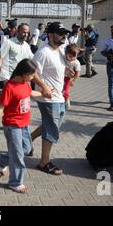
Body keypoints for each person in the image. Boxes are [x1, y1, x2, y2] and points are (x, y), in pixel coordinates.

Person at [0, 59, 42, 194]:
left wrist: (43, 92)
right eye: (31, 75)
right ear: (23, 73)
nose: (33, 77)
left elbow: (30, 93)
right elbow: (0, 107)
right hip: (12, 126)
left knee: (27, 148)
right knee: (18, 156)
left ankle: (2, 159)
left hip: (24, 125)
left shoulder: (26, 83)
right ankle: (15, 183)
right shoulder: (10, 87)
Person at [30, 22, 69, 175]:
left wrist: (67, 73)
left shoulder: (60, 50)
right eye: (60, 33)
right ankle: (44, 162)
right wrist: (44, 87)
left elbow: (56, 70)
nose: (64, 36)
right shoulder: (43, 52)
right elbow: (32, 73)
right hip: (47, 98)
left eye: (64, 33)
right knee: (52, 129)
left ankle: (27, 141)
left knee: (50, 125)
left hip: (59, 96)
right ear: (51, 35)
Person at [63, 44, 81, 109]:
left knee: (65, 91)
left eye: (74, 56)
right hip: (59, 76)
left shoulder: (76, 62)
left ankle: (67, 99)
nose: (72, 58)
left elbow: (78, 73)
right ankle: (61, 101)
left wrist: (74, 81)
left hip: (67, 78)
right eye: (70, 56)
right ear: (66, 53)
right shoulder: (62, 58)